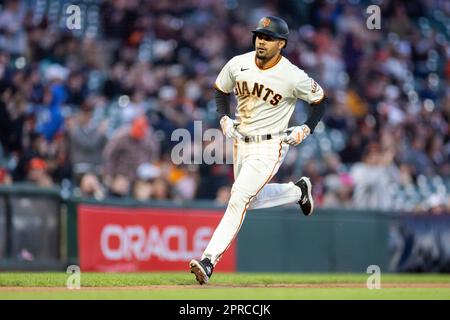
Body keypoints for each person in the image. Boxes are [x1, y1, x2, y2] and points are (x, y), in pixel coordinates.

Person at [189, 16, 328, 284]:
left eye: (268, 38)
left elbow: (319, 101)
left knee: (238, 197)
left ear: (282, 44)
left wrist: (306, 128)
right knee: (249, 200)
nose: (261, 41)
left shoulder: (292, 75)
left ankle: (208, 261)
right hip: (241, 142)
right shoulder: (238, 63)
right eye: (259, 36)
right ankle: (297, 191)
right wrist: (223, 118)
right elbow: (220, 90)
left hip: (270, 145)